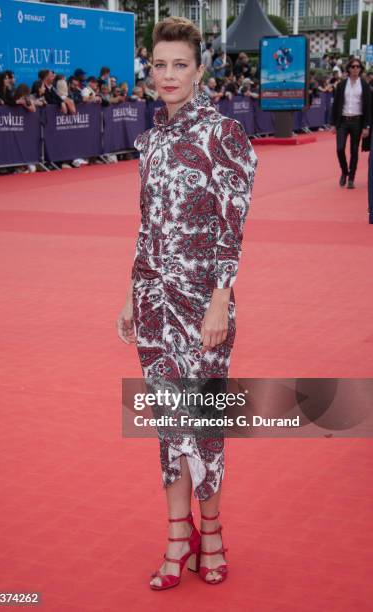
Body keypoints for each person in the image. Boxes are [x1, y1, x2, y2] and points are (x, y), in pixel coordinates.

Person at [117, 16, 257, 590]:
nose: (168, 75)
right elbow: (146, 226)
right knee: (170, 424)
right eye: (159, 64)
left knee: (204, 423)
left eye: (180, 64)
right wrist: (130, 293)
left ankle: (214, 530)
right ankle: (180, 535)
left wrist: (220, 301)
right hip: (153, 300)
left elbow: (232, 229)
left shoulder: (227, 137)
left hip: (204, 304)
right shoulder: (148, 142)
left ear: (200, 71)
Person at [330, 57, 371, 189]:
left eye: (358, 66)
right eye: (353, 66)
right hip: (343, 121)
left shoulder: (364, 86)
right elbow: (336, 105)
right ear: (348, 68)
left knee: (354, 150)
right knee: (340, 149)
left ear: (360, 69)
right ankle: (344, 171)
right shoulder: (342, 85)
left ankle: (351, 178)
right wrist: (333, 123)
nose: (355, 69)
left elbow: (369, 107)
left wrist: (366, 126)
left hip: (357, 121)